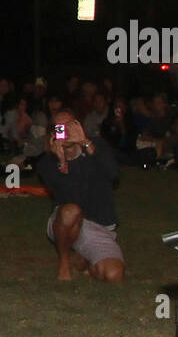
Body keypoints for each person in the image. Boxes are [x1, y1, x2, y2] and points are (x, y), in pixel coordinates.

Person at [35, 111, 126, 282]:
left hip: (99, 226)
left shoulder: (97, 146)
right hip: (65, 223)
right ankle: (64, 262)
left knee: (114, 276)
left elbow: (113, 174)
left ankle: (85, 260)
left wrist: (86, 143)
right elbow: (68, 198)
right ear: (53, 134)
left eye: (70, 125)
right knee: (71, 211)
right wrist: (62, 163)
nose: (66, 131)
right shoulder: (47, 162)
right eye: (60, 128)